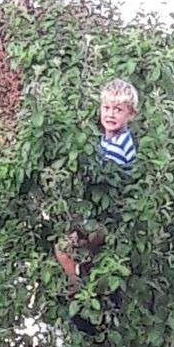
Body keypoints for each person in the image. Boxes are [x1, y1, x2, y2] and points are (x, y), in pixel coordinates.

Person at [54, 79, 138, 290]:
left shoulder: (118, 147)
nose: (110, 114)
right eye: (106, 108)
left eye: (118, 110)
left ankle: (77, 289)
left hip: (106, 217)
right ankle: (82, 283)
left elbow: (104, 183)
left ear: (131, 114)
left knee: (63, 249)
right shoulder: (106, 141)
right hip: (98, 214)